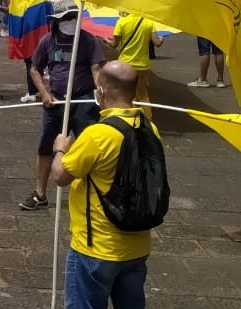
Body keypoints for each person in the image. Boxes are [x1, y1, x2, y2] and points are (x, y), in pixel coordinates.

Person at [51, 61, 162, 309]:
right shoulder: (150, 128)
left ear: (101, 91)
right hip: (137, 245)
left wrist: (60, 149)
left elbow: (60, 176)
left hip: (96, 247)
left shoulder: (97, 135)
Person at [20, 0, 105, 211]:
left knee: (89, 147)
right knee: (46, 147)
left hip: (83, 100)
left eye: (73, 18)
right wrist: (44, 93)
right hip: (55, 101)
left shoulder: (89, 41)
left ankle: (92, 193)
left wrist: (101, 94)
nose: (69, 22)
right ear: (56, 21)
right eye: (65, 18)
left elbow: (96, 69)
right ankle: (40, 194)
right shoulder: (47, 41)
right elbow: (35, 69)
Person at [105, 13, 163, 119]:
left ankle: (127, 119)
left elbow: (114, 45)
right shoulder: (148, 22)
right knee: (143, 95)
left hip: (125, 65)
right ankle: (148, 121)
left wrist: (106, 41)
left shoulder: (122, 22)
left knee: (125, 94)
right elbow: (157, 43)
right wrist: (161, 40)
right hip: (142, 65)